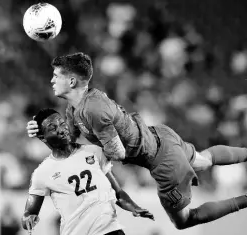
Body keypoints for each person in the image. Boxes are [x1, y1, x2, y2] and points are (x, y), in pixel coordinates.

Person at [27, 52, 247, 230]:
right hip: (159, 136)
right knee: (203, 160)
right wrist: (41, 132)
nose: (52, 79)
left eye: (56, 75)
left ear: (72, 80)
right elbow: (69, 143)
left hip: (162, 162)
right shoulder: (77, 106)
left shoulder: (93, 110)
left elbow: (119, 153)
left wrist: (92, 160)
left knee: (184, 221)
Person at [22, 108, 154, 235]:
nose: (61, 130)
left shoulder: (94, 152)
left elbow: (117, 192)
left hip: (110, 230)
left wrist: (134, 207)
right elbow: (29, 213)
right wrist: (28, 219)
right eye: (52, 128)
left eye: (62, 124)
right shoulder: (42, 172)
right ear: (42, 137)